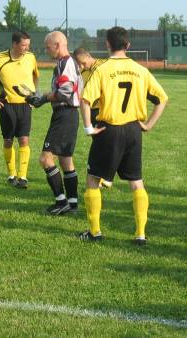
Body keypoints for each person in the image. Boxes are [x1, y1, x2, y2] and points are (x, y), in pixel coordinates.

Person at [79, 26, 168, 244]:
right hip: (133, 131)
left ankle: (95, 232)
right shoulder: (141, 70)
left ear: (107, 44)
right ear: (128, 45)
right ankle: (140, 234)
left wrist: (89, 128)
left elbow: (85, 100)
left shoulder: (102, 69)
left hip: (108, 129)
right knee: (136, 182)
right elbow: (162, 99)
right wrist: (148, 125)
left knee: (93, 179)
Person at [25, 31, 82, 215]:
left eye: (48, 47)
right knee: (66, 160)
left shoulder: (65, 63)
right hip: (70, 115)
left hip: (64, 115)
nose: (47, 50)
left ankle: (61, 201)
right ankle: (72, 204)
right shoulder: (69, 62)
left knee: (45, 159)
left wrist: (43, 98)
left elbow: (65, 92)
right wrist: (42, 98)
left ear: (57, 45)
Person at [0, 31, 39, 189]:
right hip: (6, 105)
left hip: (25, 105)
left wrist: (33, 95)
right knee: (8, 140)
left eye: (28, 45)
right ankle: (11, 174)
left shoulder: (31, 57)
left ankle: (22, 177)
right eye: (23, 45)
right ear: (14, 44)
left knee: (24, 139)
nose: (27, 48)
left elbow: (35, 75)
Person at [72, 47, 112, 189]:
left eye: (83, 63)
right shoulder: (82, 72)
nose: (82, 66)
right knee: (101, 144)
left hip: (104, 111)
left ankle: (106, 177)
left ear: (89, 56)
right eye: (80, 64)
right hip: (91, 112)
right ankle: (104, 177)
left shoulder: (103, 66)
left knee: (106, 145)